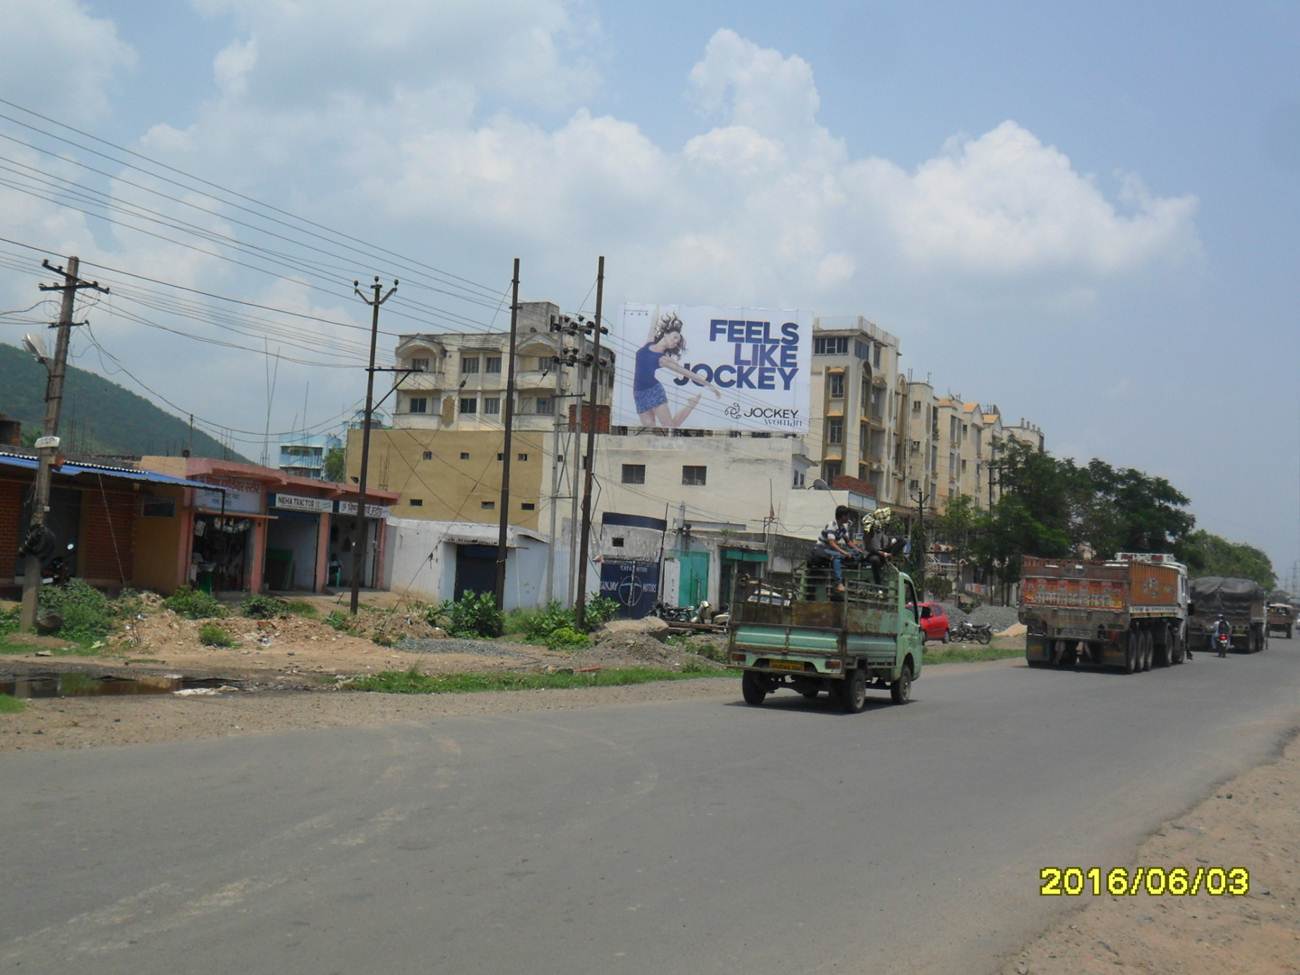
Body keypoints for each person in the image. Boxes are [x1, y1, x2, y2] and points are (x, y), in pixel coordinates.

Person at [633, 313, 721, 430]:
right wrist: (657, 307)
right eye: (675, 337)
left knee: (669, 427)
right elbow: (653, 323)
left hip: (653, 391)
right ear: (665, 334)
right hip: (638, 393)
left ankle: (691, 404)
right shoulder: (649, 342)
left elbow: (688, 373)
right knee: (649, 431)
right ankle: (691, 404)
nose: (675, 342)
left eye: (677, 341)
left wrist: (710, 386)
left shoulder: (663, 359)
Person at [813, 505, 856, 593]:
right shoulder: (832, 525)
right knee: (837, 556)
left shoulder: (842, 528)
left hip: (830, 550)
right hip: (821, 548)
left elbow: (848, 542)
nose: (848, 518)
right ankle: (839, 583)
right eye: (847, 515)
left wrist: (857, 549)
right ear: (842, 516)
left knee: (853, 553)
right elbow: (831, 543)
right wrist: (843, 552)